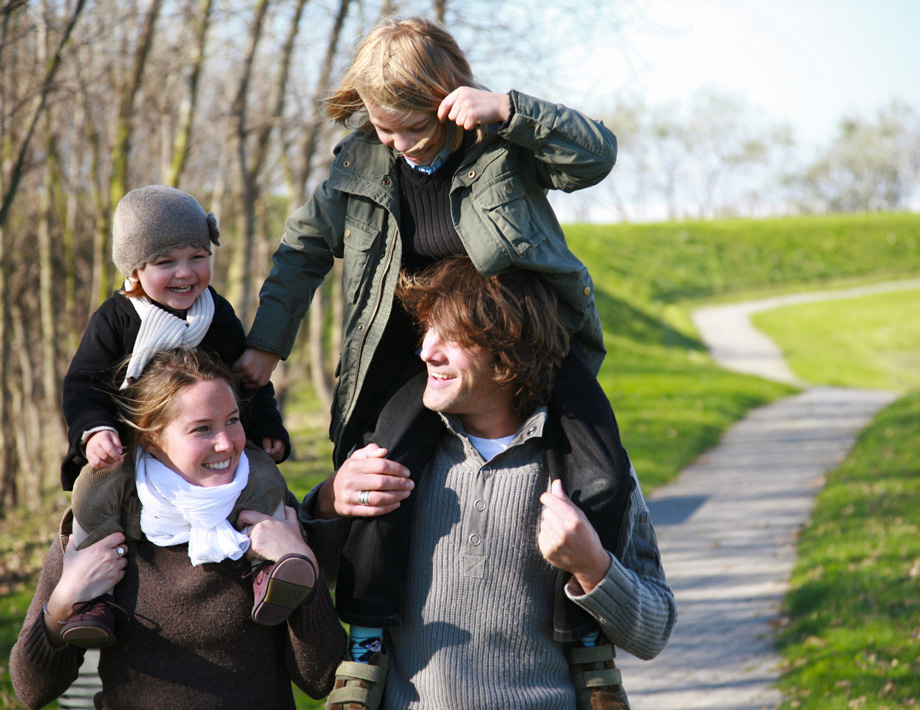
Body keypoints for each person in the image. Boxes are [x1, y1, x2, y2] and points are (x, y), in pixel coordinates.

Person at [232, 14, 624, 671]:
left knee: (600, 472)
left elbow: (595, 156)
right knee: (383, 471)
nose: (401, 143)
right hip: (423, 359)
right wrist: (269, 344)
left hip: (531, 342)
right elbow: (302, 249)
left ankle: (586, 642)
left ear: (449, 100)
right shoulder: (358, 166)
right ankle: (367, 644)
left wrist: (511, 108)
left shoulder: (501, 144)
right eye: (386, 129)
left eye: (414, 127)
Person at [302, 257, 676, 710]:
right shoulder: (390, 458)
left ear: (507, 355)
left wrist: (593, 566)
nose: (426, 351)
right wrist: (327, 500)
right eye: (427, 330)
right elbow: (300, 586)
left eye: (451, 337)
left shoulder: (592, 471)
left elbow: (654, 631)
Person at [11, 348, 346, 709]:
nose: (227, 443)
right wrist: (63, 602)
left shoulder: (270, 513)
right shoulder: (101, 522)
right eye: (202, 428)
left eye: (232, 420)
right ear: (153, 439)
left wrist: (301, 562)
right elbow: (32, 691)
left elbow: (322, 678)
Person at [59, 185, 292, 640]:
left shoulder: (216, 313)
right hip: (132, 446)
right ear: (134, 270)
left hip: (208, 444)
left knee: (266, 477)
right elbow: (83, 384)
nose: (185, 273)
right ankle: (92, 596)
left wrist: (267, 426)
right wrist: (94, 431)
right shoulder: (117, 318)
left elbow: (248, 379)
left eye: (197, 256)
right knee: (93, 491)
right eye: (165, 262)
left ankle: (271, 567)